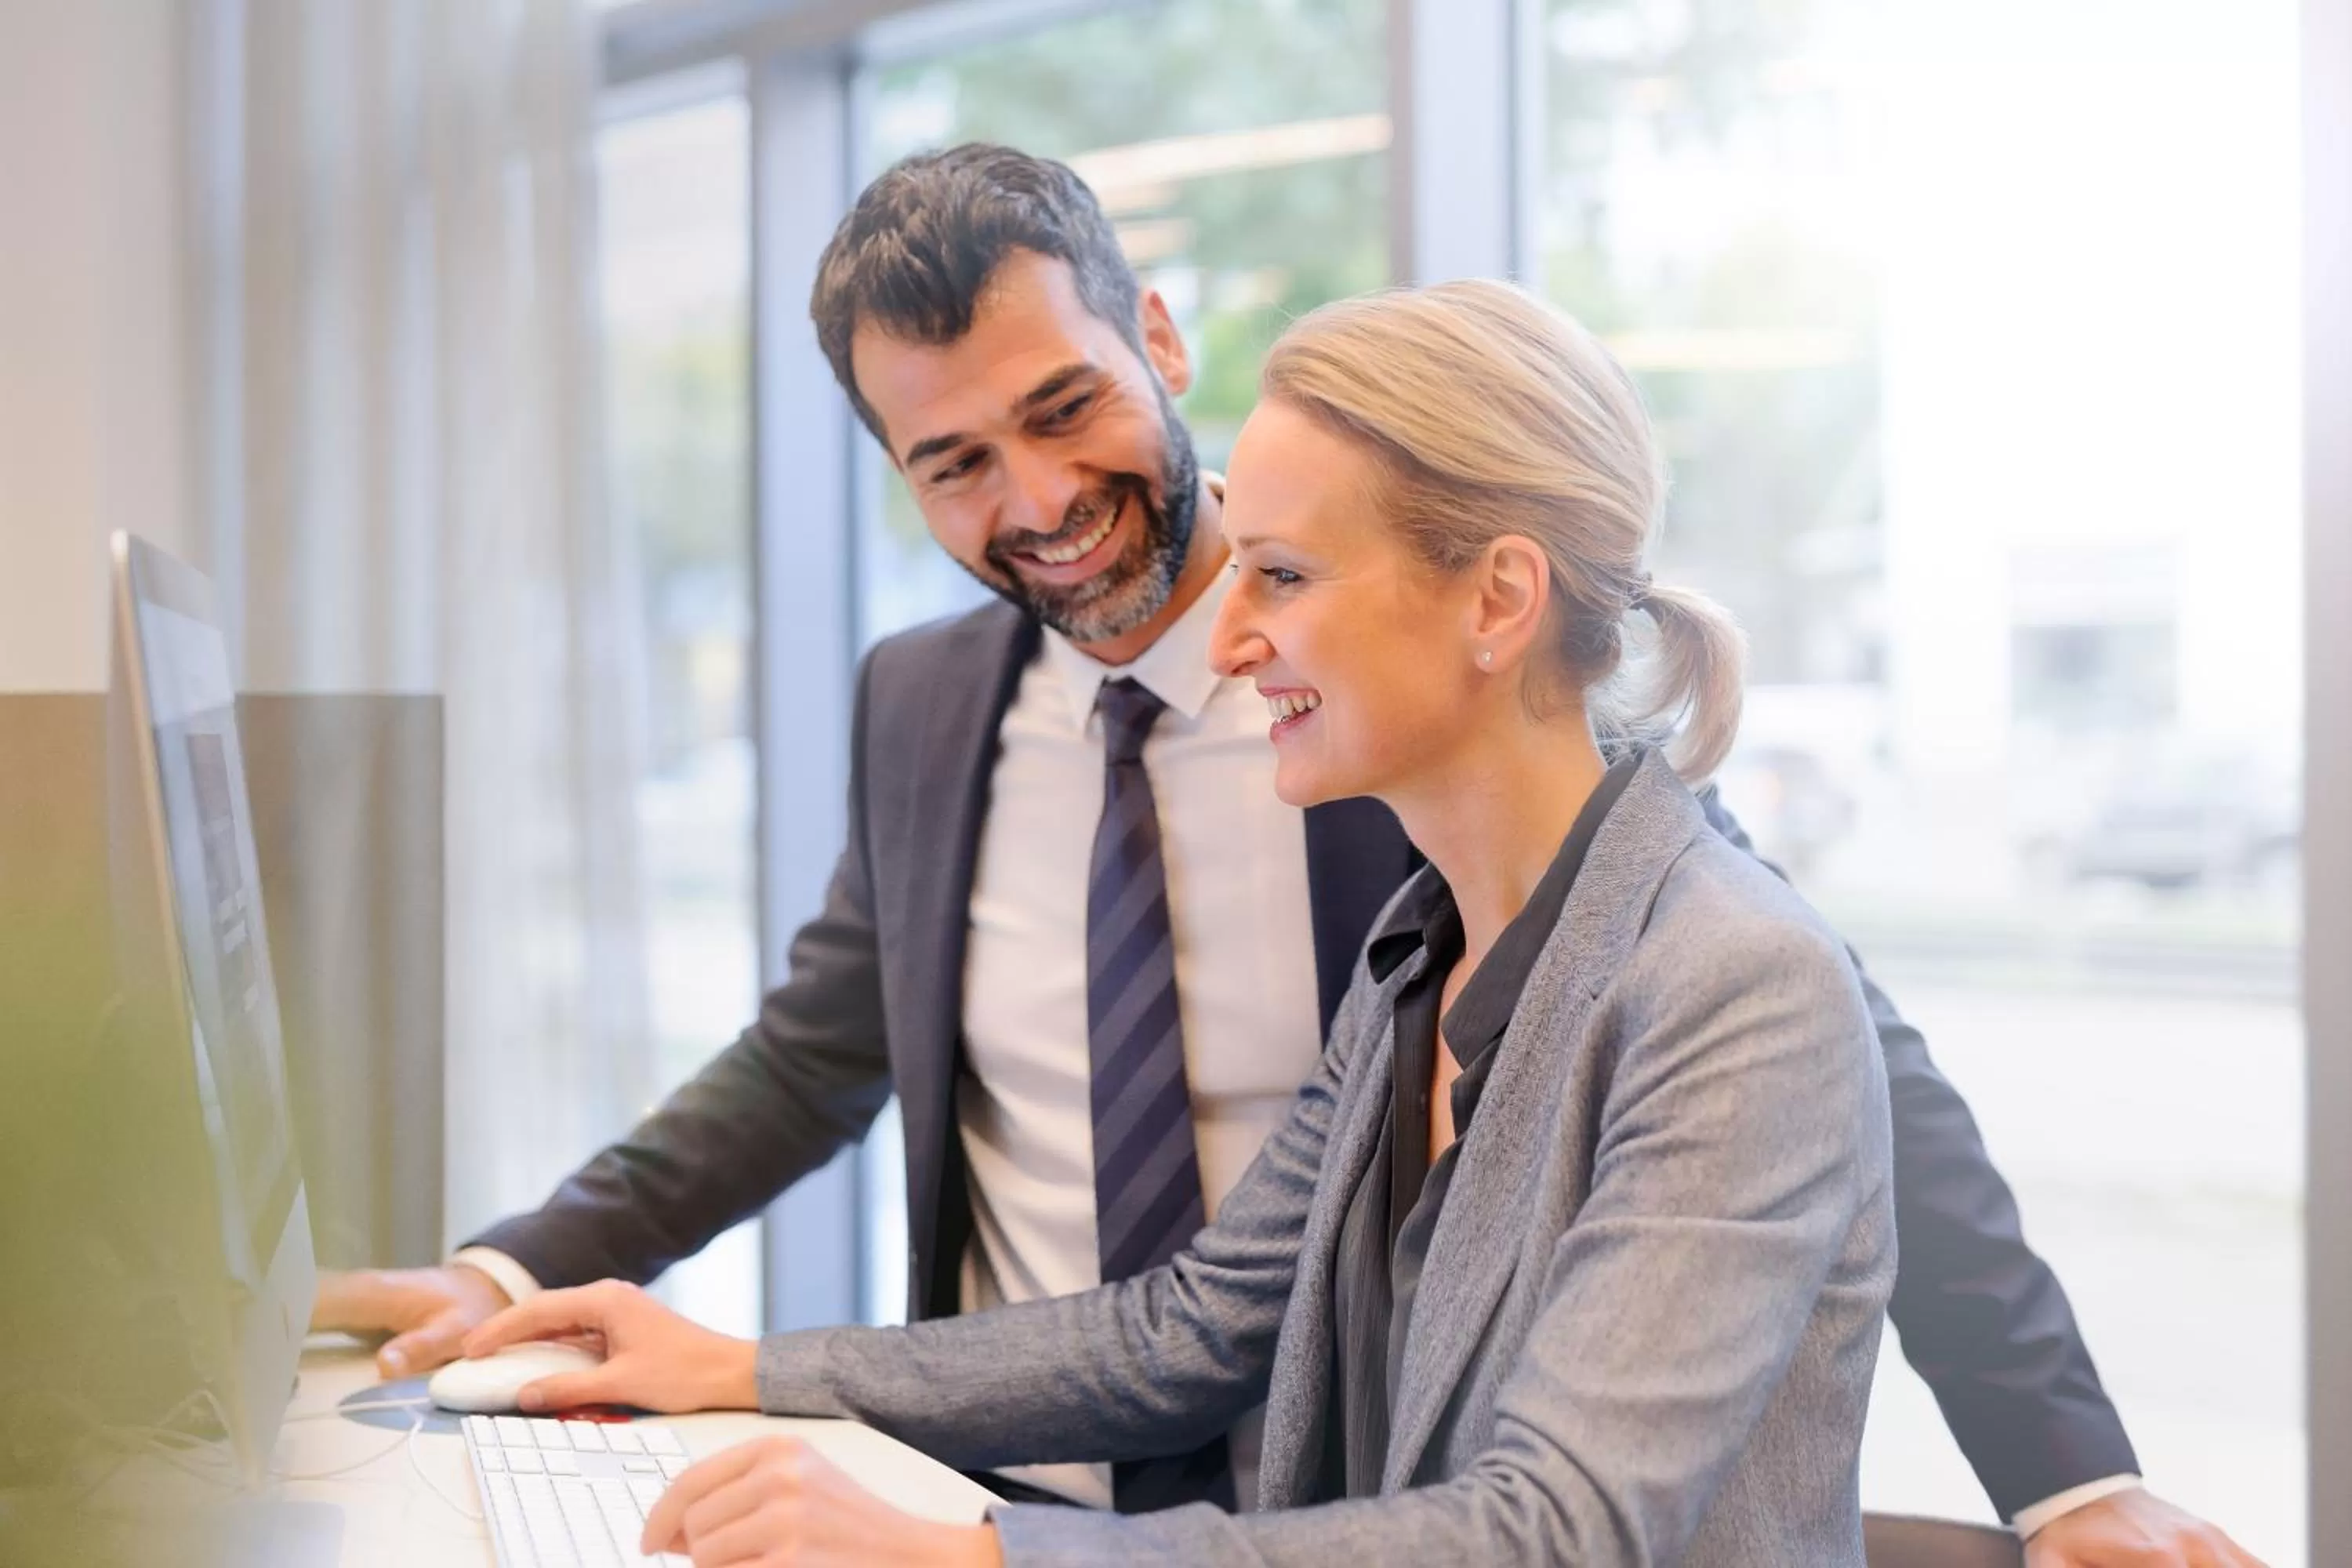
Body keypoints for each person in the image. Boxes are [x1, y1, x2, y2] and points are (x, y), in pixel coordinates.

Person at [314, 144, 2259, 1567]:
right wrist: (690, 1349)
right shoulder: (1410, 929)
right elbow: (1067, 1232)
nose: (1047, 503)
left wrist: (2065, 1468)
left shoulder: (1654, 911)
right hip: (1059, 1497)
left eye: (1067, 409)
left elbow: (1799, 1098)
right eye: (955, 461)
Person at [470, 276, 1900, 1566]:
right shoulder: (1422, 952)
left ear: (1499, 597)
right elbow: (1195, 1326)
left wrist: (971, 1561)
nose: (1225, 639)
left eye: (1281, 576)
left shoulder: (1732, 983)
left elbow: (1551, 1532)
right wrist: (740, 1369)